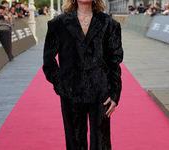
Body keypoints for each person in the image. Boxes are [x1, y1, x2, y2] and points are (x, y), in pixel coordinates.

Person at [43, 0, 123, 149]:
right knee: (74, 143)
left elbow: (115, 62)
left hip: (101, 93)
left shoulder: (110, 24)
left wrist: (115, 93)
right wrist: (61, 86)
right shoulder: (58, 24)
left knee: (101, 144)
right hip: (71, 93)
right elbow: (48, 61)